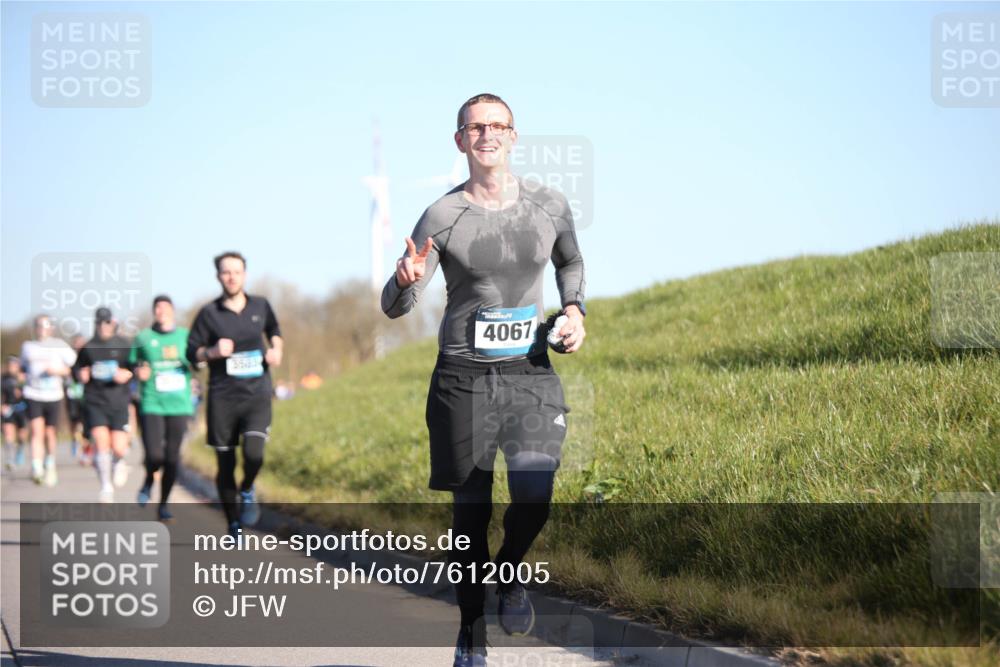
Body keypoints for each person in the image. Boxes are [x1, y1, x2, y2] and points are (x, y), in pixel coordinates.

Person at [381, 93, 587, 666]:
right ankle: (472, 634)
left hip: (530, 371)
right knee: (469, 516)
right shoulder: (442, 216)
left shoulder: (549, 204)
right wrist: (405, 280)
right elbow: (395, 305)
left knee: (535, 493)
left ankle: (511, 568)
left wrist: (574, 311)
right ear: (460, 141)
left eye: (499, 126)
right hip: (463, 378)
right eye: (476, 128)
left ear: (514, 136)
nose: (488, 135)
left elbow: (571, 261)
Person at [186, 252, 283, 536]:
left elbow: (274, 331)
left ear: (245, 274)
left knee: (254, 454)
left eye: (236, 271)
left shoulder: (261, 306)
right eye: (226, 272)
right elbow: (192, 353)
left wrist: (276, 349)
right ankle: (233, 523)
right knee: (225, 464)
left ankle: (248, 488)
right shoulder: (209, 313)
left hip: (257, 395)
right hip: (222, 398)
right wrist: (212, 352)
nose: (231, 277)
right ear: (218, 276)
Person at [131, 295, 194, 521]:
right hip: (152, 402)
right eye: (157, 308)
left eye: (165, 307)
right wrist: (138, 371)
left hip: (179, 404)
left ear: (173, 311)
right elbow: (132, 364)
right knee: (154, 455)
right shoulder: (143, 337)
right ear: (154, 312)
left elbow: (197, 360)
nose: (161, 311)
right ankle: (149, 479)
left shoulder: (185, 336)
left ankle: (164, 504)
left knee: (172, 458)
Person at [74, 307, 134, 502]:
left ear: (113, 323)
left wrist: (127, 375)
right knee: (101, 443)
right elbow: (76, 369)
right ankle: (106, 486)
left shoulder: (124, 345)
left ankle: (119, 461)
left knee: (118, 446)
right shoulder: (88, 347)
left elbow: (136, 368)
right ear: (96, 324)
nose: (104, 326)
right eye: (100, 323)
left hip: (118, 401)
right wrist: (80, 375)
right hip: (95, 400)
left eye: (107, 322)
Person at [20, 315, 77, 486]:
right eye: (39, 325)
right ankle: (37, 467)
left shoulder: (60, 346)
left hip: (53, 395)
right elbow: (23, 368)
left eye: (45, 326)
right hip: (33, 394)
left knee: (49, 432)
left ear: (51, 328)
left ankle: (50, 463)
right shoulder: (28, 347)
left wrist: (58, 371)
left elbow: (73, 367)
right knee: (36, 431)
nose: (42, 329)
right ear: (35, 328)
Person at [2, 357, 29, 470]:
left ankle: (21, 448)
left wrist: (22, 385)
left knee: (22, 435)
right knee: (8, 434)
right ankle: (9, 459)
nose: (11, 367)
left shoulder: (25, 377)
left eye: (14, 365)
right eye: (10, 365)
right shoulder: (3, 379)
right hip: (8, 409)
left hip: (22, 409)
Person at [65, 335, 88, 463]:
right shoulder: (69, 358)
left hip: (85, 395)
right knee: (74, 421)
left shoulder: (88, 357)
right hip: (72, 394)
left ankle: (85, 450)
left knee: (85, 423)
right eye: (77, 343)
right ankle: (74, 439)